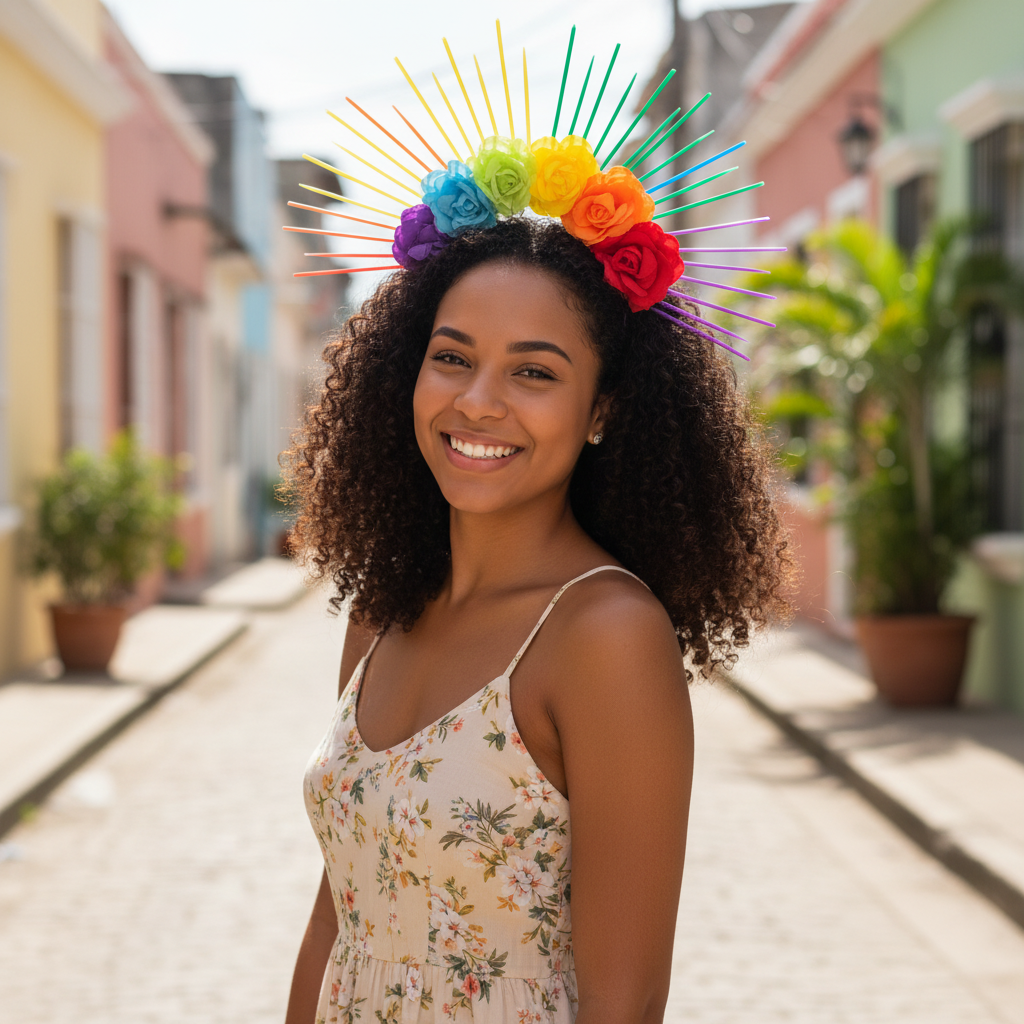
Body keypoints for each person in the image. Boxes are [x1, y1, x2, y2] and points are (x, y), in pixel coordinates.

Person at [281, 216, 790, 1023]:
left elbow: (626, 1001)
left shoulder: (604, 636)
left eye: (534, 373)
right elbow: (334, 919)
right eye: (452, 358)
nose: (477, 403)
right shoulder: (384, 611)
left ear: (601, 411)